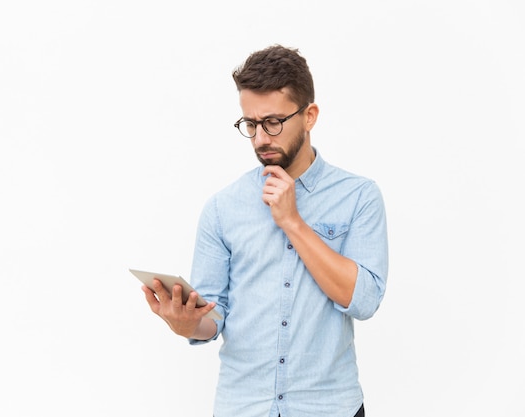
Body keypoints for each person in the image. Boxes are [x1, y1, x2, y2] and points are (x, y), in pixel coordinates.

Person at [142, 44, 388, 417]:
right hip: (243, 407)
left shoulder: (359, 197)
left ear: (309, 116)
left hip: (329, 408)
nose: (260, 138)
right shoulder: (222, 208)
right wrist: (189, 324)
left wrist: (292, 222)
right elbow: (213, 315)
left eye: (273, 122)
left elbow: (365, 300)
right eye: (250, 125)